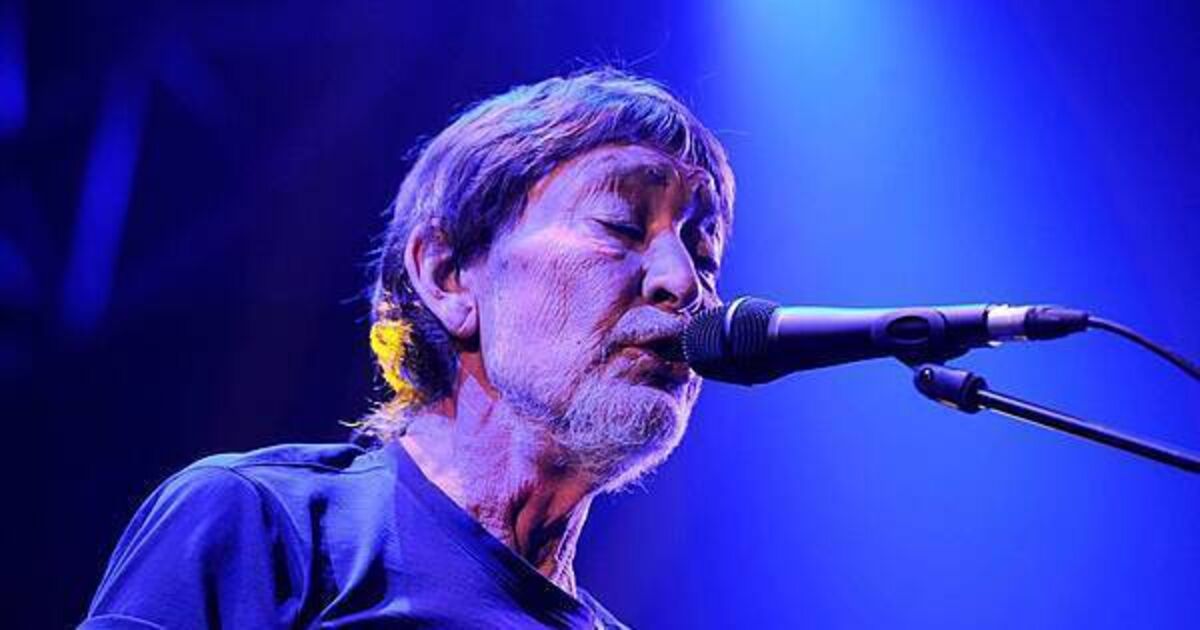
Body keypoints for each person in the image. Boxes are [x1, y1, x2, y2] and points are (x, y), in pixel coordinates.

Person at [82, 68, 735, 629]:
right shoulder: (262, 524)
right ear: (448, 275)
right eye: (620, 225)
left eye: (703, 255)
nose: (684, 283)